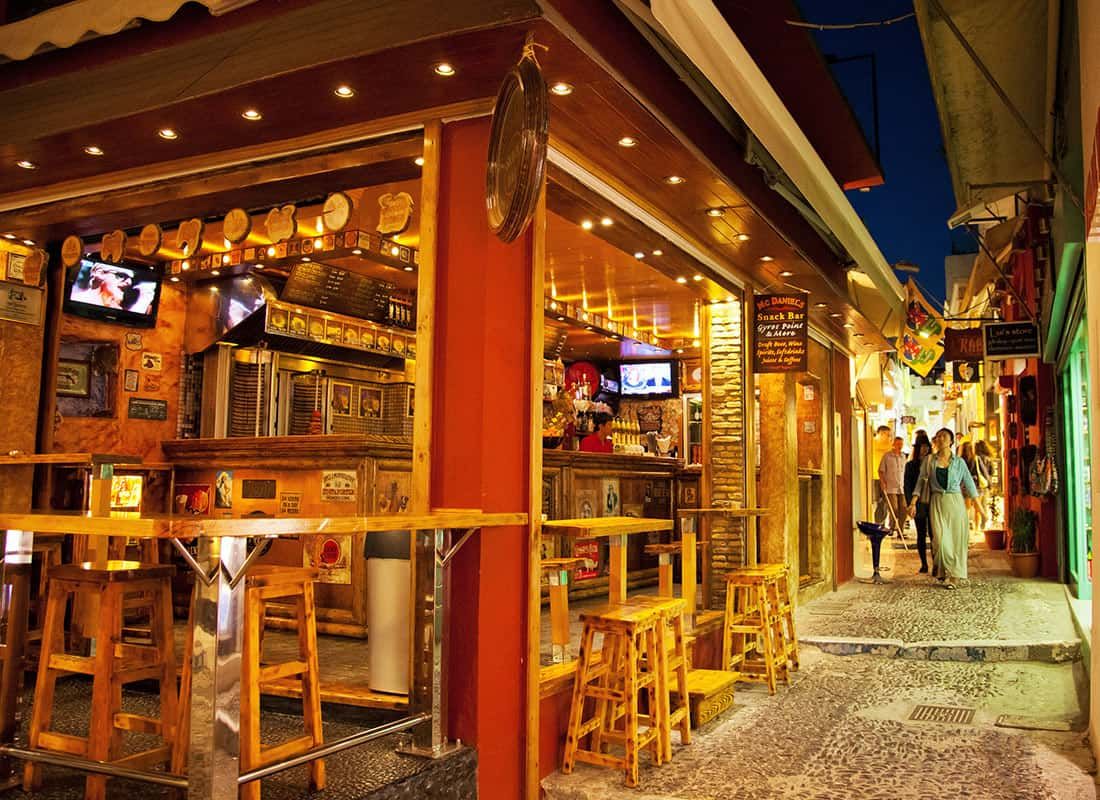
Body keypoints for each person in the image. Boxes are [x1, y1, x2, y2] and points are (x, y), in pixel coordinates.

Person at [909, 428, 979, 589]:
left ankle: (953, 576)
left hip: (955, 503)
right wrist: (913, 502)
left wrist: (981, 510)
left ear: (951, 441)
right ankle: (944, 569)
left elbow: (969, 485)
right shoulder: (929, 461)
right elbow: (920, 482)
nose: (940, 439)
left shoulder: (959, 462)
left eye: (944, 437)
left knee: (956, 542)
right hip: (937, 502)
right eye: (938, 436)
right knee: (940, 542)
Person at [904, 437, 932, 572]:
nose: (924, 449)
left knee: (934, 534)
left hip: (933, 502)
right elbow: (907, 486)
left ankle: (937, 564)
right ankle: (924, 564)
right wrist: (910, 503)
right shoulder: (911, 465)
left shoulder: (934, 463)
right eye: (922, 446)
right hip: (918, 503)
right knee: (921, 534)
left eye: (926, 446)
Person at [878, 436, 908, 538]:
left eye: (901, 444)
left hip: (902, 487)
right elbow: (881, 471)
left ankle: (901, 530)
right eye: (898, 444)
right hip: (891, 487)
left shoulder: (903, 456)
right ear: (894, 444)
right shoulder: (887, 456)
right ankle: (892, 528)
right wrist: (882, 482)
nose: (900, 446)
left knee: (904, 508)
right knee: (894, 508)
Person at [871, 425, 893, 524]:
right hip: (873, 477)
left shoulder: (890, 446)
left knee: (884, 502)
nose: (889, 437)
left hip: (886, 478)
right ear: (881, 433)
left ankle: (880, 523)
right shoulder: (871, 443)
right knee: (876, 501)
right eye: (888, 435)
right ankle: (877, 522)